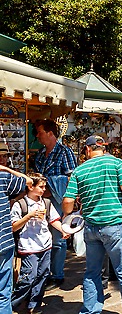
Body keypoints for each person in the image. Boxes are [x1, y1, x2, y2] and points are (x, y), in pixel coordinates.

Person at [62, 135, 122, 314]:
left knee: (92, 272)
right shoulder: (116, 163)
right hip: (114, 226)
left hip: (91, 227)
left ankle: (90, 310)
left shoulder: (79, 171)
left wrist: (70, 214)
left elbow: (67, 203)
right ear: (104, 148)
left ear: (88, 149)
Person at [11, 173, 69, 313]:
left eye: (44, 187)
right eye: (41, 187)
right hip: (28, 246)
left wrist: (63, 231)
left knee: (42, 276)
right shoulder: (21, 204)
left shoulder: (46, 203)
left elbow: (53, 219)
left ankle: (34, 305)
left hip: (45, 244)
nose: (44, 190)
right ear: (30, 187)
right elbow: (13, 226)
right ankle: (13, 303)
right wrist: (29, 216)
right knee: (28, 277)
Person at [34, 119, 77, 290]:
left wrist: (53, 187)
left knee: (58, 238)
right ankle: (43, 273)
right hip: (40, 200)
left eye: (40, 132)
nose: (37, 136)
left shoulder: (64, 152)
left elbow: (72, 178)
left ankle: (57, 274)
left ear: (50, 133)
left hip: (57, 200)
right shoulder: (40, 153)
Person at [0, 165, 31, 314]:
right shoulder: (3, 178)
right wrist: (6, 169)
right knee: (3, 292)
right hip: (3, 242)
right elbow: (28, 181)